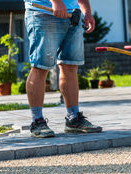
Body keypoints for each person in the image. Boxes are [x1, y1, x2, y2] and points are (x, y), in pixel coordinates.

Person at [24, 0, 102, 138]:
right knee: (40, 67)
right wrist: (56, 2)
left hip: (73, 15)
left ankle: (74, 118)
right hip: (44, 13)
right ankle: (37, 121)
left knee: (70, 66)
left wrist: (87, 11)